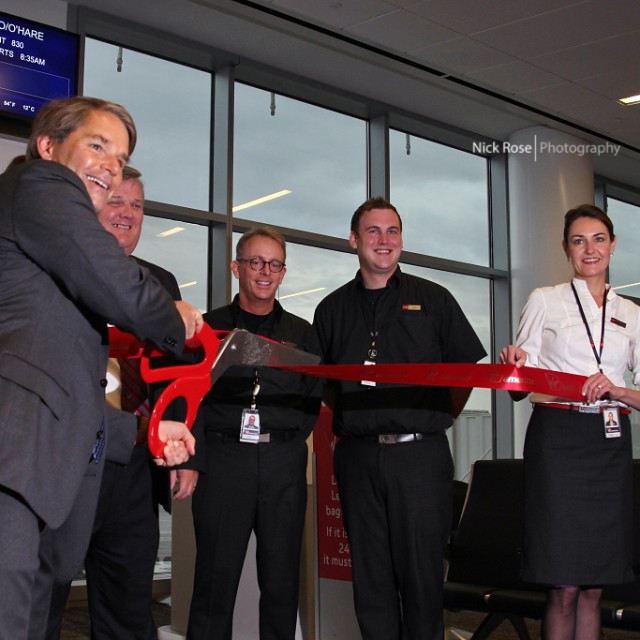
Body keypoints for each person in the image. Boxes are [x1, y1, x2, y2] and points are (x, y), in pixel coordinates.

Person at [0, 96, 203, 640]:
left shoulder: (48, 262)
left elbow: (65, 387)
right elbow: (118, 283)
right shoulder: (38, 183)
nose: (111, 167)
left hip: (37, 475)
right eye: (98, 146)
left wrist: (146, 429)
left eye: (121, 158)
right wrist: (176, 317)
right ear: (48, 146)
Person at [313, 197, 486, 640]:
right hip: (357, 458)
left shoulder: (434, 299)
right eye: (373, 231)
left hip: (420, 458)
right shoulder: (330, 310)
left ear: (402, 241)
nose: (384, 240)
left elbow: (464, 371)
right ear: (354, 240)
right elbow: (327, 384)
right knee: (370, 577)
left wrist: (434, 417)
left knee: (422, 577)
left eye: (392, 231)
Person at [45, 166, 198, 639]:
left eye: (136, 206)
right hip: (63, 462)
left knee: (128, 608)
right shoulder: (55, 273)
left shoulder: (161, 283)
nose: (127, 213)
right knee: (41, 602)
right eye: (117, 202)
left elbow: (178, 371)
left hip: (134, 465)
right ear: (93, 208)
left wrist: (183, 454)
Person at [500, 204, 640, 640]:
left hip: (608, 444)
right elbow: (520, 387)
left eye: (598, 239)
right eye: (579, 241)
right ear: (566, 249)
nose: (590, 249)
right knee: (562, 585)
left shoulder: (632, 312)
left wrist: (616, 389)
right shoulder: (545, 299)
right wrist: (515, 365)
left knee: (595, 587)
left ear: (613, 246)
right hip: (558, 441)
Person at [185, 227, 322, 640]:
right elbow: (193, 397)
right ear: (236, 268)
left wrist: (283, 440)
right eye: (255, 262)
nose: (265, 271)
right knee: (214, 582)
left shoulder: (303, 333)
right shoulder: (209, 328)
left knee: (281, 583)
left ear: (283, 273)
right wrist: (195, 460)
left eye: (274, 264)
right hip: (224, 461)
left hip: (283, 463)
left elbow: (311, 400)